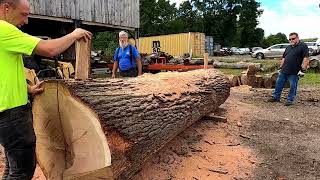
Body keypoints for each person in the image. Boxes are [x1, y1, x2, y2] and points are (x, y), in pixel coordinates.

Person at [0, 0, 92, 179]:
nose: (26, 21)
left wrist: (28, 88)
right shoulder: (4, 29)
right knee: (22, 171)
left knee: (12, 166)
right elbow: (49, 49)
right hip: (12, 113)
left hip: (5, 112)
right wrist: (74, 34)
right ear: (6, 8)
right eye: (24, 14)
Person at [268, 32, 310, 106]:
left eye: (293, 39)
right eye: (289, 39)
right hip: (284, 70)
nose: (291, 40)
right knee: (278, 84)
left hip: (294, 71)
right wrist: (280, 67)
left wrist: (303, 70)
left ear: (297, 38)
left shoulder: (303, 46)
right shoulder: (288, 47)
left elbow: (306, 58)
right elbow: (284, 58)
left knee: (293, 86)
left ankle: (289, 100)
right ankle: (275, 97)